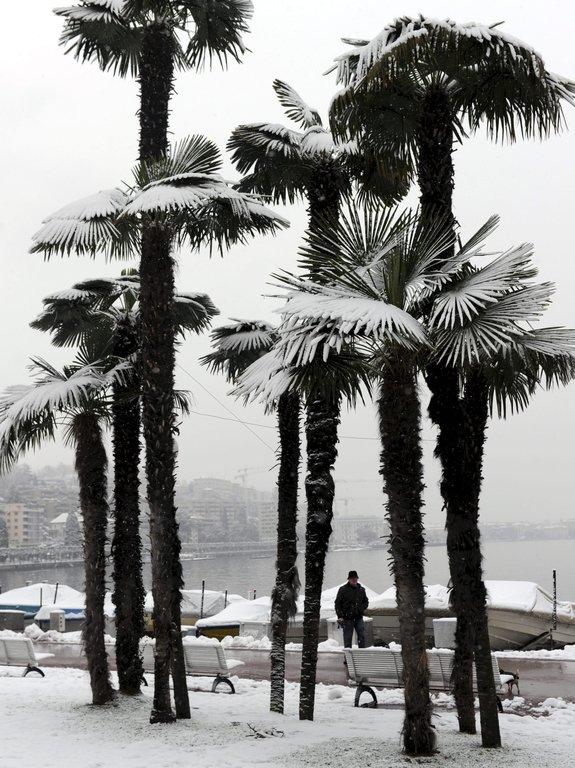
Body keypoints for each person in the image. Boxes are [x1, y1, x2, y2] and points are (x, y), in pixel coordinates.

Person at [335, 570, 369, 649]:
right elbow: (337, 604)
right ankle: (348, 655)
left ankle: (361, 654)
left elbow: (366, 601)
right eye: (352, 578)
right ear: (349, 579)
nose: (354, 580)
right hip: (347, 619)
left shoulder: (361, 589)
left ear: (357, 579)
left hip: (359, 618)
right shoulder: (343, 589)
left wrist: (361, 609)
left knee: (362, 637)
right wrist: (340, 616)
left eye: (355, 578)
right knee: (347, 638)